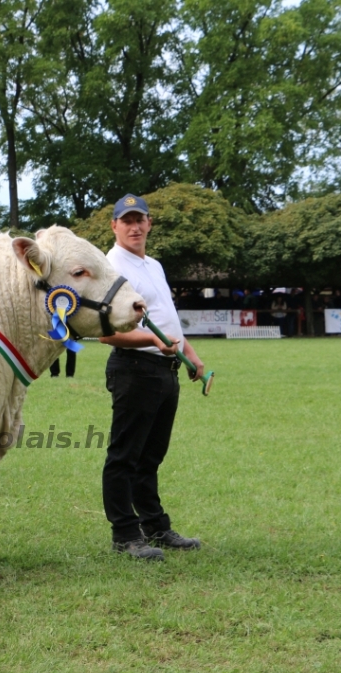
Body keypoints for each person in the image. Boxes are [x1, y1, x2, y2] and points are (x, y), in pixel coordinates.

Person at [98, 194, 205, 562]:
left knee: (151, 457)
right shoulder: (111, 266)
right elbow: (106, 333)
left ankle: (155, 527)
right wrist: (153, 340)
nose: (134, 226)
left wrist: (191, 356)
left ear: (149, 223)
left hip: (164, 370)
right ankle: (125, 534)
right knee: (125, 456)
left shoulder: (153, 265)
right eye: (126, 220)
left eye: (139, 219)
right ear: (114, 226)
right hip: (134, 369)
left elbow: (166, 317)